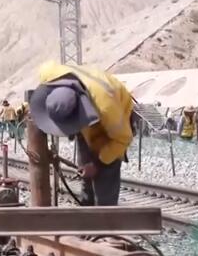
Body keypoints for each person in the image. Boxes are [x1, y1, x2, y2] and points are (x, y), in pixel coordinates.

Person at [28, 61, 134, 206]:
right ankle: (87, 207)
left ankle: (105, 214)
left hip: (112, 129)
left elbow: (122, 140)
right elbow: (44, 71)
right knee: (86, 172)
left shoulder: (107, 109)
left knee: (105, 174)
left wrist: (97, 164)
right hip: (89, 112)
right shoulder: (49, 73)